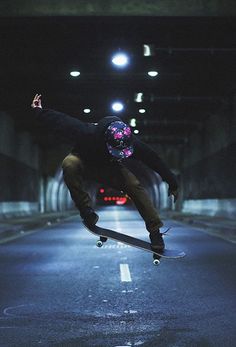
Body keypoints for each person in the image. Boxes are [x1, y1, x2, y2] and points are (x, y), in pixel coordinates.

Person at [31, 94, 179, 250]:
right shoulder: (86, 132)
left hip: (109, 168)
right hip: (83, 161)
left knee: (134, 185)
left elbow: (153, 159)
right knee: (69, 163)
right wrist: (39, 111)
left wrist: (172, 182)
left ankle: (155, 232)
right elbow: (61, 121)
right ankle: (86, 211)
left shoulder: (131, 142)